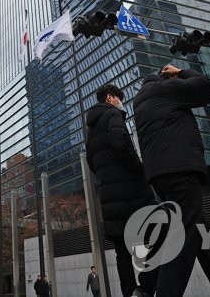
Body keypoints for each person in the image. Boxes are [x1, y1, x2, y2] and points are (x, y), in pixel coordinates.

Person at [134, 65, 210, 297]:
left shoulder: (141, 100)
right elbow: (204, 87)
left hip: (160, 176)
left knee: (204, 240)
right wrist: (182, 71)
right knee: (183, 237)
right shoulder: (165, 89)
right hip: (179, 170)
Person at [84, 84, 158, 297]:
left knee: (122, 250)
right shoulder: (113, 114)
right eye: (119, 98)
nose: (120, 102)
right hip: (131, 191)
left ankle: (129, 293)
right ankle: (146, 288)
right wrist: (140, 169)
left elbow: (91, 162)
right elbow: (122, 146)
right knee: (160, 232)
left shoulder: (91, 129)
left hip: (109, 197)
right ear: (110, 98)